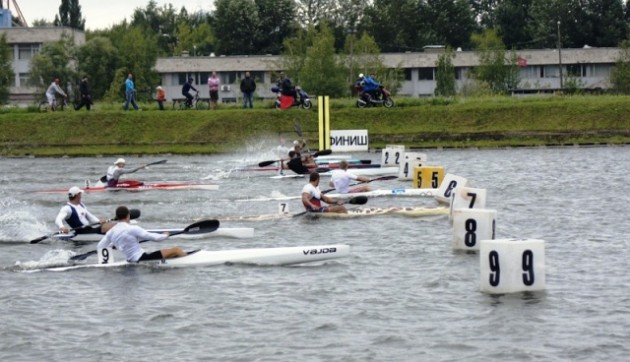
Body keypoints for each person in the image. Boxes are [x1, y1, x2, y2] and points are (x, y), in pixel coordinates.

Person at [97, 206, 186, 263]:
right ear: (128, 216)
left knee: (172, 254)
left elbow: (100, 246)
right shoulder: (132, 228)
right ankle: (188, 260)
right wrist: (165, 235)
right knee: (176, 250)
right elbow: (154, 238)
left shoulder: (111, 231)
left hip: (131, 260)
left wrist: (114, 246)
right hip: (142, 258)